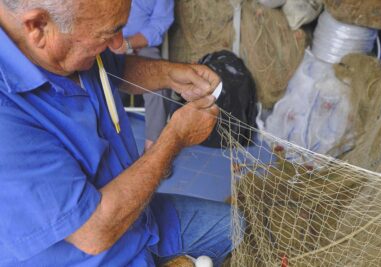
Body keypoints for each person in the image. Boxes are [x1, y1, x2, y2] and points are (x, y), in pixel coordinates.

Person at [0, 1, 235, 266]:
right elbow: (94, 231)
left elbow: (113, 67)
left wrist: (172, 74)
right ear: (38, 26)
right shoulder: (6, 117)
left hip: (142, 222)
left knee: (243, 231)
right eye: (106, 34)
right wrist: (175, 138)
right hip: (100, 252)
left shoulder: (66, 44)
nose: (118, 43)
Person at [111, 0, 174, 152]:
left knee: (158, 81)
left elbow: (160, 23)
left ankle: (153, 148)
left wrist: (129, 44)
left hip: (143, 46)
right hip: (107, 43)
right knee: (89, 74)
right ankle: (101, 146)